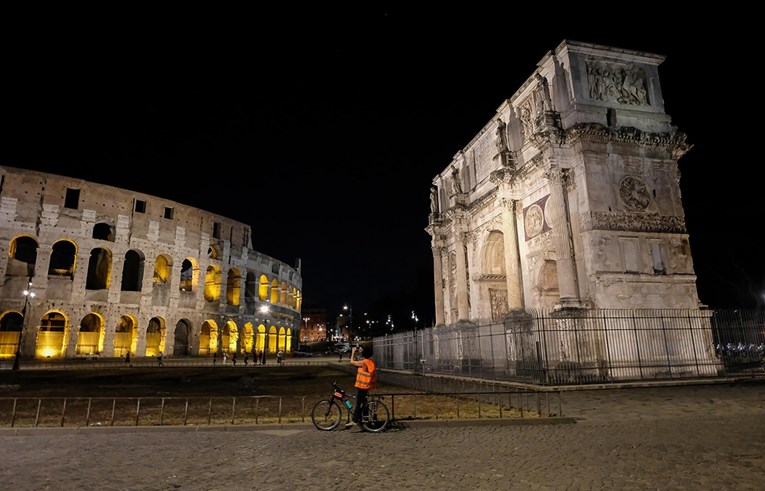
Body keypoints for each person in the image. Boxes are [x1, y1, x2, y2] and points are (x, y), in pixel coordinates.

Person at [346, 345, 377, 429]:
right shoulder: (369, 361)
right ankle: (365, 419)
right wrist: (359, 353)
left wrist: (352, 353)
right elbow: (360, 362)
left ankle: (355, 420)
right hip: (366, 386)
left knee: (358, 404)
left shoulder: (364, 362)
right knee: (364, 403)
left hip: (361, 386)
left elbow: (352, 362)